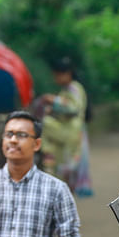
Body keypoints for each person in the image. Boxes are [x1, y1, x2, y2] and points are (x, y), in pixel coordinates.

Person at [35, 57, 93, 197]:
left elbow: (73, 108)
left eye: (58, 75)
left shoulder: (74, 88)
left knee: (46, 124)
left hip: (70, 133)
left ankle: (43, 152)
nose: (56, 78)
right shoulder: (67, 89)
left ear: (67, 73)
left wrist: (53, 100)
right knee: (62, 171)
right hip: (67, 133)